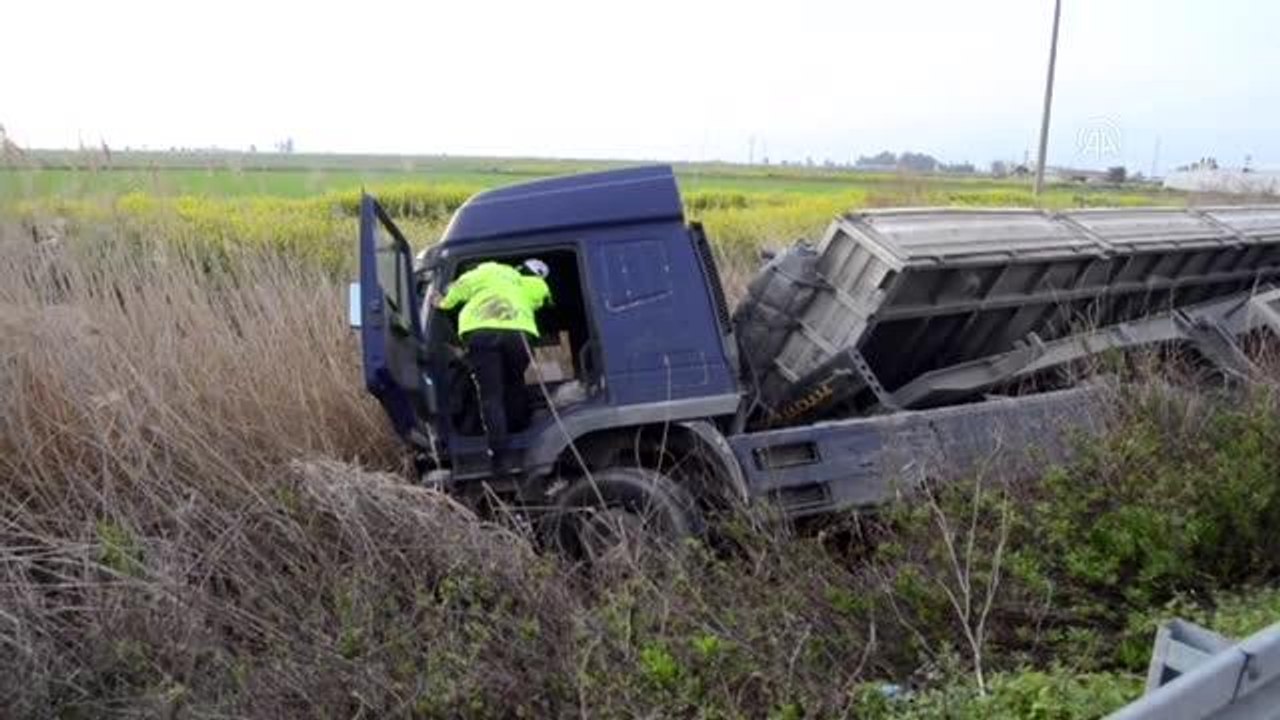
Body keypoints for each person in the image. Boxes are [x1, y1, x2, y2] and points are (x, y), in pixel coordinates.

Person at [436, 258, 552, 474]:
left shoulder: (484, 272)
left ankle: (500, 457)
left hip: (483, 333)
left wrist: (444, 303)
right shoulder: (530, 283)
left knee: (491, 396)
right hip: (519, 335)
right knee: (515, 385)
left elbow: (460, 288)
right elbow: (539, 300)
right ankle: (519, 433)